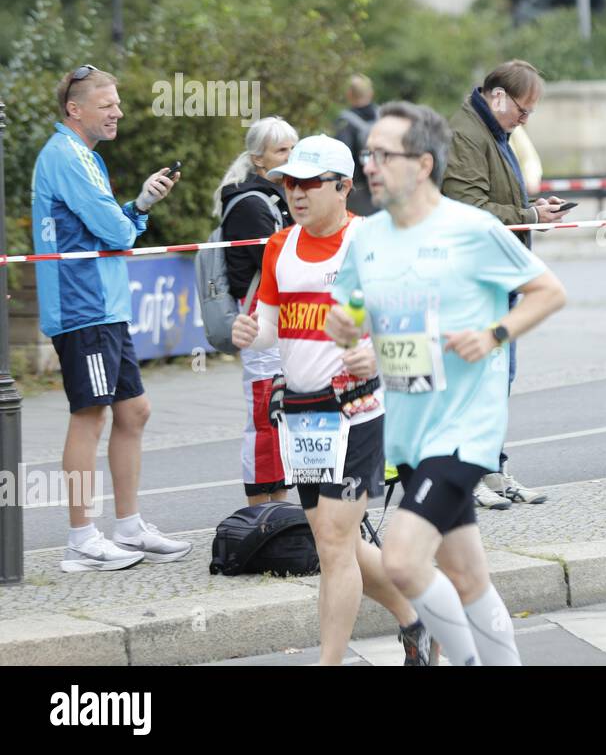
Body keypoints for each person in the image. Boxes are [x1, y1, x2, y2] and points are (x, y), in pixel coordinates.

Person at [325, 102, 567, 665]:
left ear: (425, 164)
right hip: (407, 431)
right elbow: (353, 316)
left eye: (384, 154)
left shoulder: (472, 229)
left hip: (463, 428)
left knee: (405, 561)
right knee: (465, 573)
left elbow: (548, 291)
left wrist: (494, 333)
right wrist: (350, 339)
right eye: (368, 155)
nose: (370, 166)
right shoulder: (368, 238)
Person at [230, 134, 433, 666]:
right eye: (288, 182)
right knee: (333, 542)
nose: (295, 193)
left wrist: (378, 357)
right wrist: (252, 330)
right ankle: (416, 617)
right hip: (301, 415)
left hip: (357, 412)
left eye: (307, 183)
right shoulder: (280, 245)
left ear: (343, 187)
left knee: (334, 548)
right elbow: (273, 329)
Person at [33, 65, 192, 572]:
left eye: (118, 103)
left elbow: (107, 226)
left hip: (103, 305)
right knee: (91, 414)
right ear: (75, 110)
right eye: (108, 105)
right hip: (84, 308)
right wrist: (131, 216)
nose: (118, 112)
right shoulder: (66, 155)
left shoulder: (82, 156)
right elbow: (116, 233)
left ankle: (128, 527)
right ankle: (80, 539)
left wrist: (140, 204)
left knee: (133, 411)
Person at [443, 59, 563, 509]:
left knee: (497, 381)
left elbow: (492, 201)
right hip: (475, 280)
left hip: (495, 277)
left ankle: (490, 470)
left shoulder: (490, 132)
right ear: (498, 97)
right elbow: (469, 208)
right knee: (476, 381)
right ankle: (464, 474)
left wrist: (530, 207)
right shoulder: (466, 134)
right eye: (524, 110)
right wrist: (530, 215)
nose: (525, 119)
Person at [214, 116, 298, 505]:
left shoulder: (276, 196)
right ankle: (260, 509)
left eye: (294, 148)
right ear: (258, 159)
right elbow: (278, 265)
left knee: (278, 415)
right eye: (282, 150)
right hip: (259, 321)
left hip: (276, 321)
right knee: (265, 416)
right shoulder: (251, 203)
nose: (291, 157)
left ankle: (278, 504)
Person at [334, 74, 380, 216]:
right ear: (371, 93)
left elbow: (341, 158)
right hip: (384, 187)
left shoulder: (346, 122)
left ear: (349, 94)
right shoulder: (385, 117)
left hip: (358, 191)